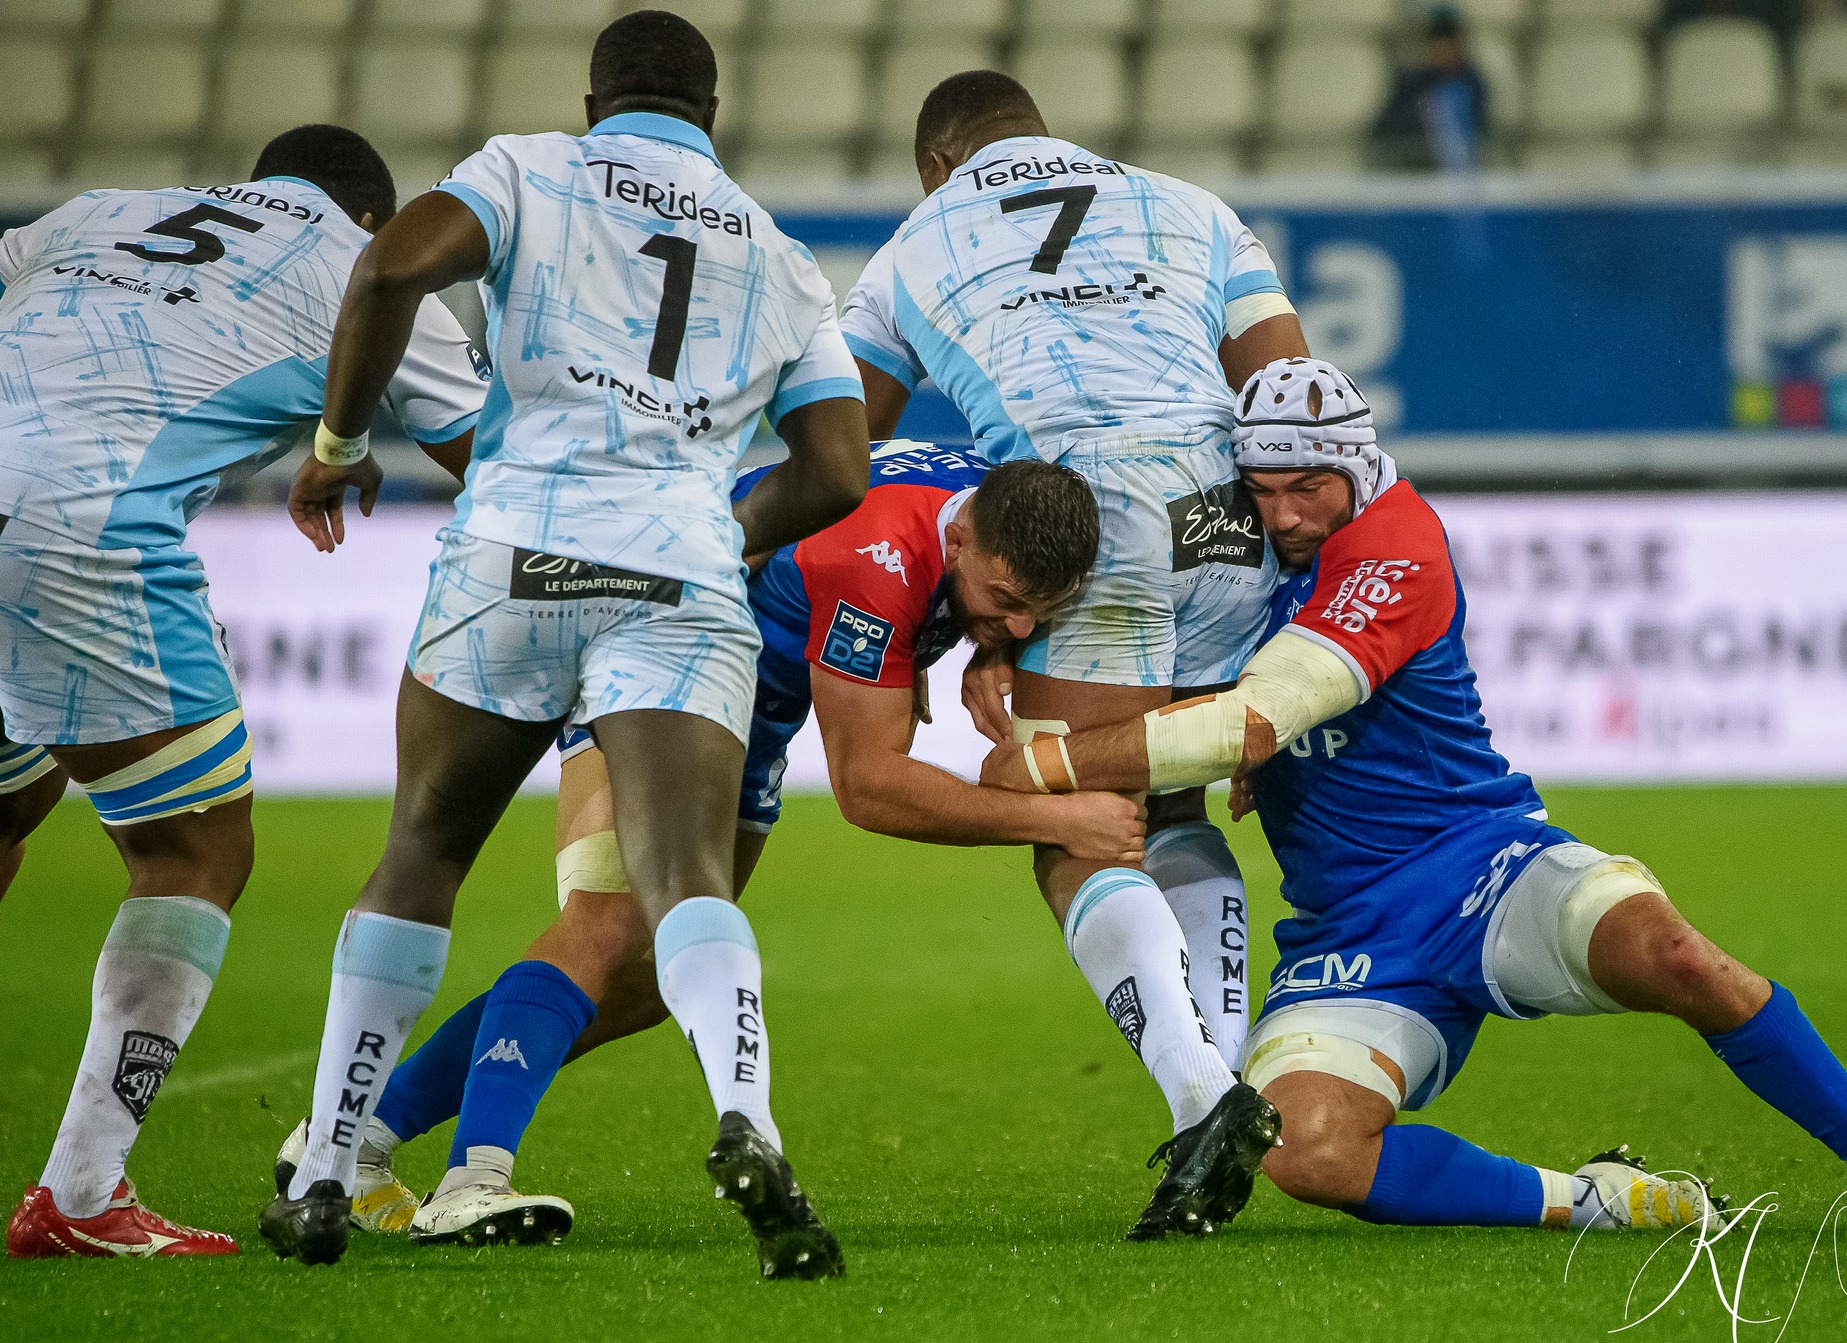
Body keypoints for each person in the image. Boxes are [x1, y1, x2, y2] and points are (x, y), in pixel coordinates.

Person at [981, 357, 1847, 1239]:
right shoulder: (1247, 554)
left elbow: (1249, 721)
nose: (1283, 512)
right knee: (1305, 1153)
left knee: (1675, 954)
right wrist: (993, 644)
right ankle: (1597, 1199)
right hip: (1348, 927)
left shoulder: (1395, 543)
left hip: (1482, 861)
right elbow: (1173, 677)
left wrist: (1049, 764)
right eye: (1262, 490)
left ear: (1353, 465)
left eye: (1304, 488)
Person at [257, 10, 872, 1276]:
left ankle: (325, 1163)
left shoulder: (526, 167)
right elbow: (838, 470)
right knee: (684, 881)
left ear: (596, 99)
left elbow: (386, 271)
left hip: (514, 554)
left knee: (422, 851)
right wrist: (723, 523)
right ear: (712, 112)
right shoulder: (777, 251)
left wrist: (335, 448)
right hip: (678, 576)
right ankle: (751, 1124)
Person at [273, 439, 1137, 1246]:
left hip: (748, 722)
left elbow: (952, 584)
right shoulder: (879, 556)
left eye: (1041, 612)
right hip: (654, 670)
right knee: (608, 924)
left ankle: (353, 1137)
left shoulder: (994, 498)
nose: (1023, 629)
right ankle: (473, 1181)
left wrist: (982, 641)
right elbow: (869, 785)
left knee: (649, 983)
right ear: (959, 539)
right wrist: (1057, 818)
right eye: (1008, 604)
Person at [0, 125, 489, 1258]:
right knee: (193, 852)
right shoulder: (365, 268)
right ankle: (79, 1198)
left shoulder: (94, 207)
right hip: (81, 526)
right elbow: (494, 456)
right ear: (376, 216)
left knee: (11, 800)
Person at [840, 69, 1308, 1240]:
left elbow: (841, 454)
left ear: (935, 164)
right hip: (1226, 519)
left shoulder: (912, 244)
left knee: (1071, 812)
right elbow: (1291, 397)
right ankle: (1219, 1080)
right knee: (1175, 790)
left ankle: (1202, 1090)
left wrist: (952, 616)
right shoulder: (1191, 206)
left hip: (1083, 519)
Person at [1370, 7, 1491, 173]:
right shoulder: (1411, 86)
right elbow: (1384, 137)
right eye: (1438, 40)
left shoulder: (1474, 85)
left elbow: (1483, 135)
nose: (1446, 49)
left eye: (1452, 40)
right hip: (1422, 181)